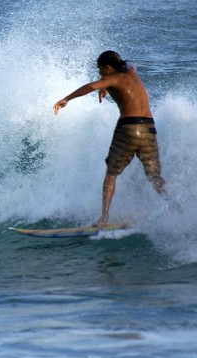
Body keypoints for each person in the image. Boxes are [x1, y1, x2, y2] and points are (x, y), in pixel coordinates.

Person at [53, 50, 168, 226]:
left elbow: (91, 86)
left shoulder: (113, 78)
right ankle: (173, 205)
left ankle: (104, 219)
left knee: (111, 174)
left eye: (100, 70)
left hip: (129, 128)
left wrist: (67, 99)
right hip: (148, 128)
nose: (99, 74)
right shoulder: (130, 72)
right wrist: (106, 86)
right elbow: (131, 67)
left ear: (108, 67)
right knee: (153, 175)